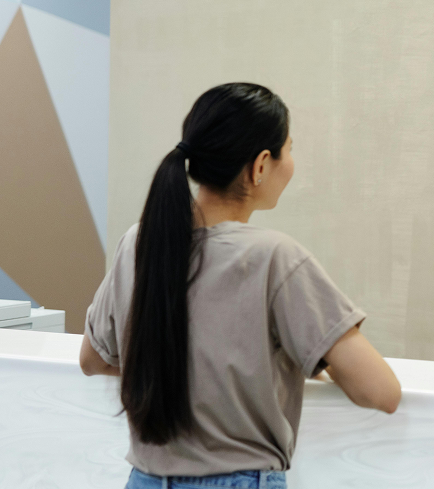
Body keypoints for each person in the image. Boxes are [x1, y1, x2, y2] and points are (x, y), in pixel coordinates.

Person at [79, 82, 401, 489]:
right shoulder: (275, 257)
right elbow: (381, 392)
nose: (292, 163)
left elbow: (94, 360)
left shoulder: (137, 243)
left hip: (143, 479)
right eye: (289, 149)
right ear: (261, 164)